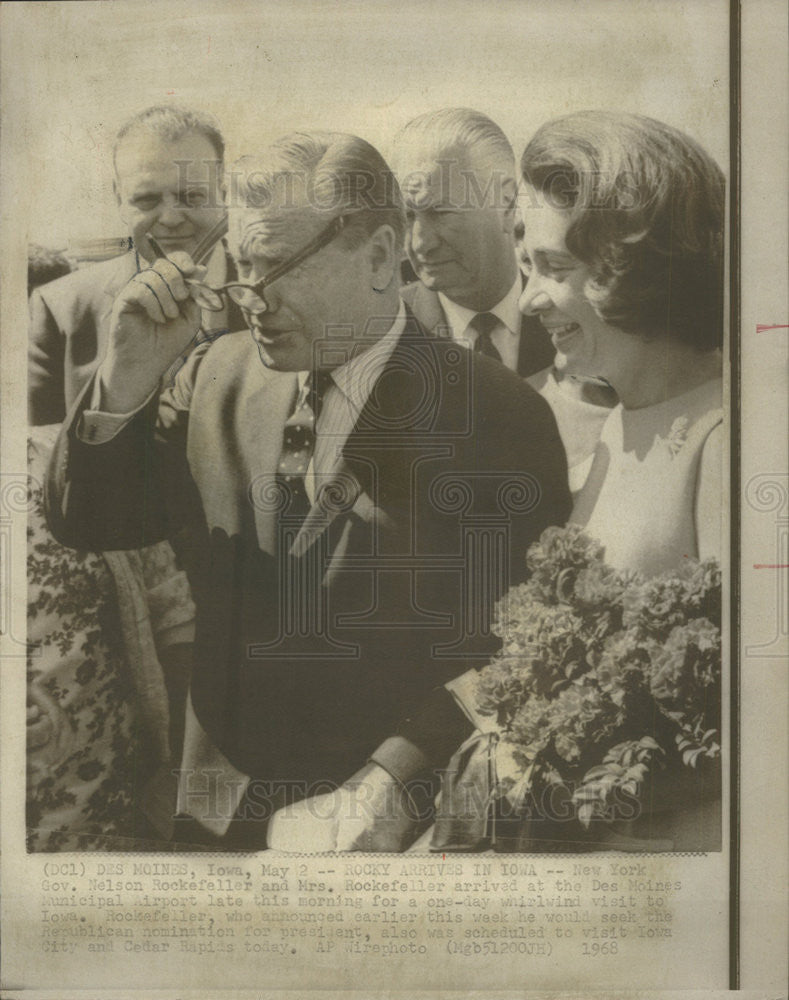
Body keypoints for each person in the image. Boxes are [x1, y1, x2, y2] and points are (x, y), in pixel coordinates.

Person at [45, 130, 572, 851]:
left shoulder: (495, 413)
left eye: (276, 269)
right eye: (241, 268)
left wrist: (391, 780)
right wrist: (123, 383)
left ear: (381, 257)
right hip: (215, 814)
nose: (249, 299)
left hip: (392, 831)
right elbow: (91, 522)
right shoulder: (213, 375)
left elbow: (517, 644)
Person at [518, 110, 724, 577]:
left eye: (554, 267)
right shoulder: (618, 423)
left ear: (635, 267)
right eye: (528, 267)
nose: (528, 300)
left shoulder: (724, 437)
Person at [28, 104, 245, 426]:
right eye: (147, 200)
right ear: (119, 201)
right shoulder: (61, 310)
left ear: (223, 194)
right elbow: (39, 460)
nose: (170, 218)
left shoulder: (277, 293)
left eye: (192, 196)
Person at [391, 108, 554, 377]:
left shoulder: (573, 321)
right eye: (407, 216)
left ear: (506, 204)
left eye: (441, 213)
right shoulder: (379, 336)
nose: (420, 244)